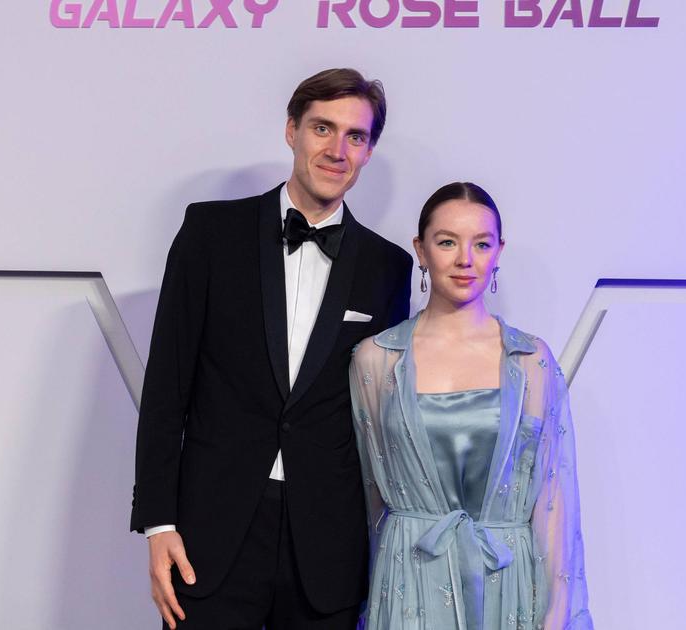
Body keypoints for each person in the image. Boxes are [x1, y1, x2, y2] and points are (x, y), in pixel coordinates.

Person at [130, 68, 413, 629]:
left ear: (368, 151)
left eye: (355, 136)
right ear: (291, 131)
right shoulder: (211, 232)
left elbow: (380, 415)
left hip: (328, 546)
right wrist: (159, 523)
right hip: (210, 535)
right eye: (322, 128)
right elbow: (166, 385)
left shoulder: (388, 267)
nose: (337, 150)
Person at [348, 182, 594, 629]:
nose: (465, 259)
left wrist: (558, 609)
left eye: (481, 244)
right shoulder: (376, 359)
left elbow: (553, 496)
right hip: (408, 582)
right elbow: (369, 499)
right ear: (421, 250)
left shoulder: (531, 360)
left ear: (499, 252)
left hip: (507, 583)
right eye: (447, 242)